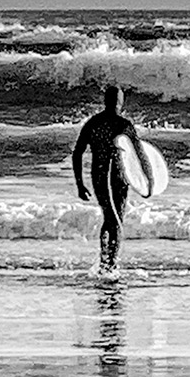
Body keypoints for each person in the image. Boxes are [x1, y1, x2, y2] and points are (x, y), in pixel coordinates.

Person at [72, 85, 153, 270]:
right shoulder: (123, 125)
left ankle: (105, 261)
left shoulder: (94, 123)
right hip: (111, 177)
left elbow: (77, 153)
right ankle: (110, 264)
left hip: (111, 178)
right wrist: (149, 180)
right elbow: (141, 156)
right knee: (114, 220)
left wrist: (80, 184)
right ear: (119, 102)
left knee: (112, 218)